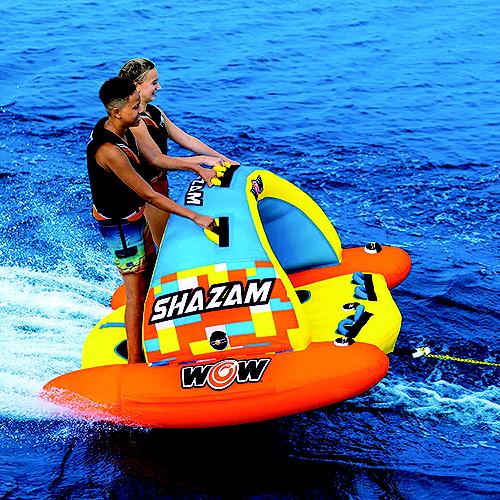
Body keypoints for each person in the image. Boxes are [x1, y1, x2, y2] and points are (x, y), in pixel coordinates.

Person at [87, 77, 217, 363]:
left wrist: (198, 165)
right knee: (136, 291)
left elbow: (156, 159)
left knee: (153, 271)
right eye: (135, 107)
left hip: (134, 216)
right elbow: (150, 195)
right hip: (121, 228)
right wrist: (196, 216)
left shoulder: (125, 128)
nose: (140, 111)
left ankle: (155, 335)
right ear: (117, 112)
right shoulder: (109, 151)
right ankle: (136, 362)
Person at [119, 57, 239, 245]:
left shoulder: (155, 112)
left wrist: (224, 159)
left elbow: (187, 140)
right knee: (165, 244)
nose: (159, 87)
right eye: (154, 83)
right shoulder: (135, 123)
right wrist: (200, 162)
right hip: (147, 191)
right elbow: (158, 159)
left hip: (161, 183)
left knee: (156, 240)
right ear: (137, 86)